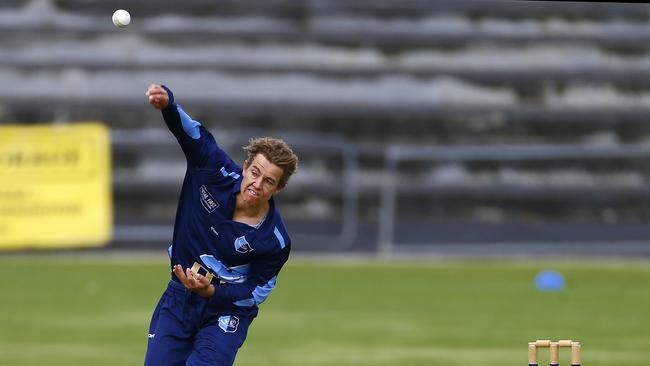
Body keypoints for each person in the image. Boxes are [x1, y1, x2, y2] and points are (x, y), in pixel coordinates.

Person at [143, 84, 298, 366]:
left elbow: (255, 293)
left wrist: (212, 291)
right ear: (246, 164)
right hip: (179, 296)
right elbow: (192, 133)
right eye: (255, 173)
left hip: (226, 312)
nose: (257, 185)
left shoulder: (274, 240)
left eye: (269, 181)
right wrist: (167, 104)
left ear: (280, 188)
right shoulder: (213, 170)